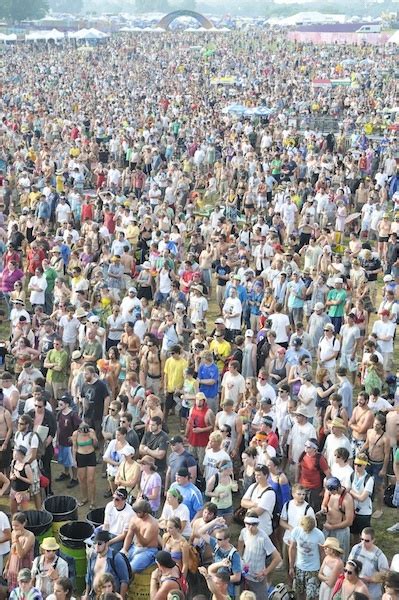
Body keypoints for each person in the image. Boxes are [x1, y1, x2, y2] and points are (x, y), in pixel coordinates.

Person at [238, 511, 282, 597]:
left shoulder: (263, 538)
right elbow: (240, 542)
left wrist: (265, 572)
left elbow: (277, 558)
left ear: (257, 524)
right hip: (245, 573)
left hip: (257, 577)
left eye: (253, 524)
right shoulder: (244, 531)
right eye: (248, 524)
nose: (250, 527)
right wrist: (240, 559)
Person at [360, 413, 390, 519]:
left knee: (379, 487)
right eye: (374, 423)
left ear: (382, 426)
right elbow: (367, 444)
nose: (375, 426)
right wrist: (361, 450)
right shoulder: (369, 432)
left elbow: (387, 455)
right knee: (366, 483)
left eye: (377, 425)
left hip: (379, 464)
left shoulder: (386, 438)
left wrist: (384, 469)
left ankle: (379, 509)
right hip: (369, 462)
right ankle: (367, 503)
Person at [84, 530, 130, 600]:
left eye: (99, 544)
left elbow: (124, 580)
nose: (96, 546)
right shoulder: (92, 556)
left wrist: (121, 598)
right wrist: (86, 594)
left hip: (111, 597)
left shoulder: (116, 557)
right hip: (95, 596)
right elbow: (89, 576)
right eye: (95, 543)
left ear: (107, 543)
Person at [288, 515, 325, 600]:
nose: (307, 532)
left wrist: (322, 570)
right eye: (306, 530)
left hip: (313, 569)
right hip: (299, 567)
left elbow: (322, 552)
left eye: (310, 530)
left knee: (311, 596)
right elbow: (292, 548)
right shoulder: (296, 531)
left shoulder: (319, 535)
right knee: (299, 593)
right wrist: (291, 567)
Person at [348, 527, 389, 600]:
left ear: (373, 540)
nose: (363, 543)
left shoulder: (379, 556)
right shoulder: (356, 548)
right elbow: (349, 564)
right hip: (354, 589)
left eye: (367, 541)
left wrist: (369, 579)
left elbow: (385, 576)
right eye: (362, 539)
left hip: (371, 593)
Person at [320, 476, 354, 560]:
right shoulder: (329, 492)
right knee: (325, 552)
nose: (331, 493)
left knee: (339, 555)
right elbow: (324, 504)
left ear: (338, 487)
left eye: (333, 491)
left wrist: (333, 527)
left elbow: (349, 521)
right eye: (329, 491)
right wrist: (324, 508)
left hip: (340, 530)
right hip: (328, 527)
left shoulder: (347, 499)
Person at [121, 499, 159, 574]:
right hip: (134, 546)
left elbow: (145, 543)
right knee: (119, 561)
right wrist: (125, 549)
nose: (136, 514)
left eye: (138, 512)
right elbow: (129, 535)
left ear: (145, 513)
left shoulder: (152, 524)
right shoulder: (134, 518)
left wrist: (137, 532)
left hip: (148, 550)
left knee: (131, 568)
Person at [4, 512, 35, 592]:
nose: (14, 528)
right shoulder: (13, 532)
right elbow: (12, 550)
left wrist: (17, 540)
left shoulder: (30, 536)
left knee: (24, 590)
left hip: (24, 567)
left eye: (17, 525)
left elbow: (21, 554)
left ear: (24, 523)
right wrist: (7, 567)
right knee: (13, 591)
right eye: (13, 525)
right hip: (13, 566)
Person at [71, 422, 98, 509]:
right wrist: (74, 460)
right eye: (83, 432)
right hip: (80, 455)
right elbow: (74, 447)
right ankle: (84, 498)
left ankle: (93, 501)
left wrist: (94, 438)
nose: (84, 434)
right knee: (82, 479)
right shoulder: (75, 434)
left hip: (91, 455)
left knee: (91, 479)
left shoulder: (91, 432)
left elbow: (96, 445)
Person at [103, 487, 135, 552]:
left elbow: (124, 534)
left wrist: (109, 542)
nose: (114, 501)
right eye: (113, 498)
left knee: (111, 553)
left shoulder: (130, 513)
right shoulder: (109, 506)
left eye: (117, 499)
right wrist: (104, 538)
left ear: (124, 500)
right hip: (109, 533)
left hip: (118, 537)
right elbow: (106, 524)